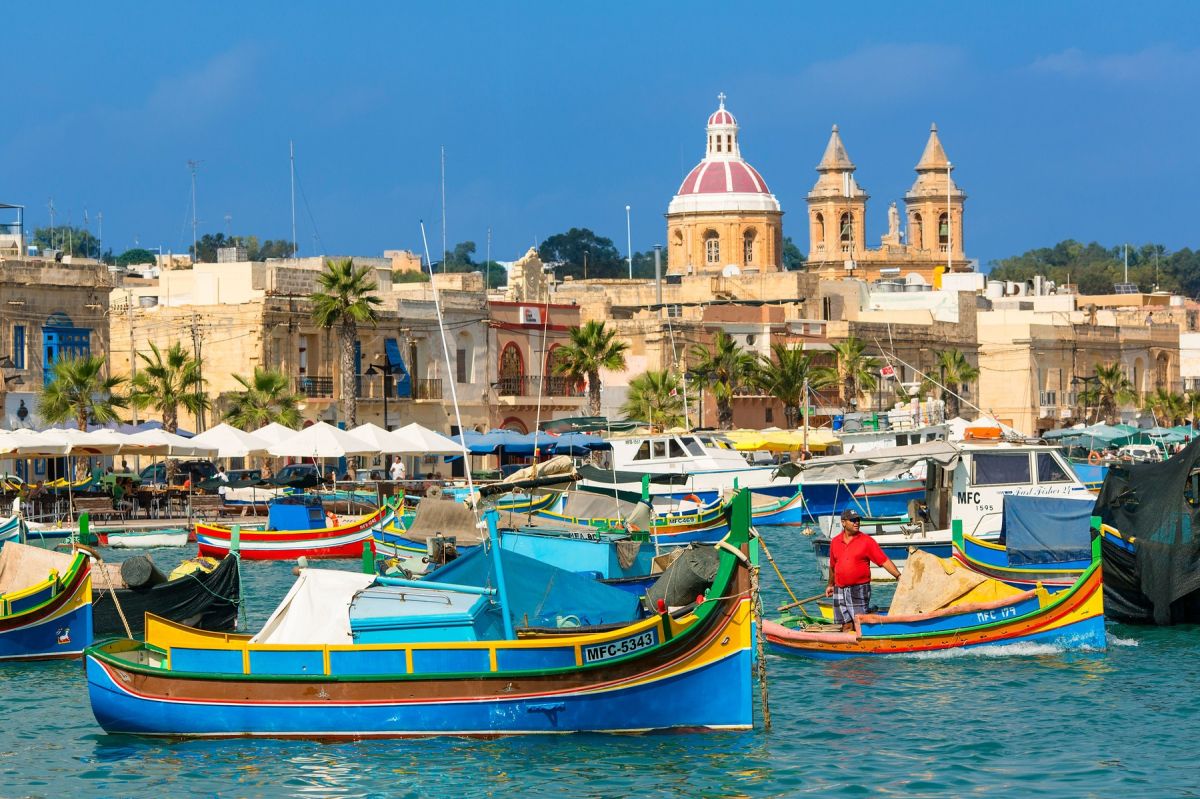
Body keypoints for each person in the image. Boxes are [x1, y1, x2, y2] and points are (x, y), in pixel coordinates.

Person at [824, 509, 901, 631]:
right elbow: (833, 566)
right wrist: (830, 585)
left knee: (860, 624)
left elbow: (884, 561)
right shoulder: (835, 541)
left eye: (858, 520)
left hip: (858, 589)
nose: (856, 522)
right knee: (845, 625)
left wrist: (898, 576)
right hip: (839, 589)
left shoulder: (867, 541)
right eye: (853, 520)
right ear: (843, 522)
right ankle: (848, 642)